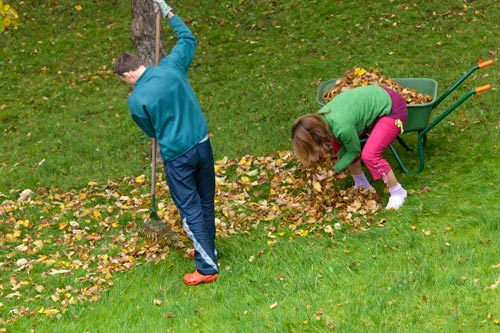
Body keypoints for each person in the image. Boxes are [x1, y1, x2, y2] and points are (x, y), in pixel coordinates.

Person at [114, 0, 219, 285]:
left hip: (177, 156)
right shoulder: (172, 66)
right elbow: (188, 38)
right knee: (205, 202)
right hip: (203, 144)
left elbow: (150, 131)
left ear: (126, 75)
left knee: (190, 209)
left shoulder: (136, 100)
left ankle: (207, 268)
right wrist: (168, 12)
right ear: (141, 64)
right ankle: (207, 249)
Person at [291, 85, 408, 210]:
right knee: (338, 143)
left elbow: (354, 151)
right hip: (376, 97)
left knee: (370, 155)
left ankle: (397, 192)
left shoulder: (342, 128)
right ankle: (361, 184)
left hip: (393, 109)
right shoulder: (322, 119)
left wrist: (332, 171)